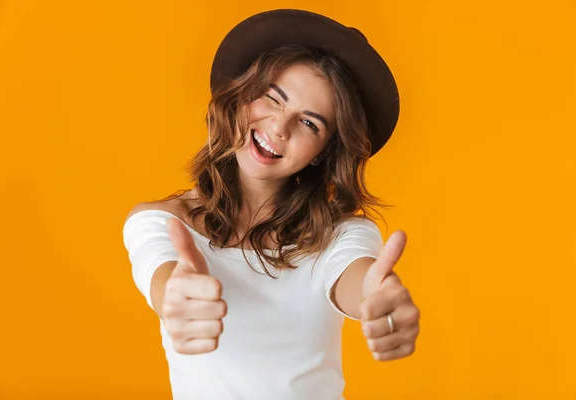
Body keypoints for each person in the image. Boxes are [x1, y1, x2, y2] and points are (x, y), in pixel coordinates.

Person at [123, 9, 420, 400]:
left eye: (309, 123)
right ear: (242, 96)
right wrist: (176, 298)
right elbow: (162, 277)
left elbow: (356, 277)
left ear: (321, 152)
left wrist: (377, 298)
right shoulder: (160, 223)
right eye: (272, 99)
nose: (280, 127)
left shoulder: (339, 235)